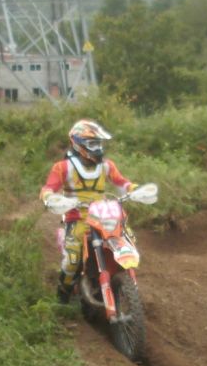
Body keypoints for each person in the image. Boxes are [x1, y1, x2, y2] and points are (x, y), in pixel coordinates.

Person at [39, 119, 137, 303]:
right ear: (78, 144)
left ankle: (127, 285)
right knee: (72, 260)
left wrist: (133, 189)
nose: (97, 148)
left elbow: (121, 182)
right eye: (92, 143)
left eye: (99, 143)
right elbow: (47, 189)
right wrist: (51, 198)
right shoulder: (63, 167)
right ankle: (63, 296)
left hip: (102, 216)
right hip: (76, 218)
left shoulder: (107, 166)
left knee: (128, 240)